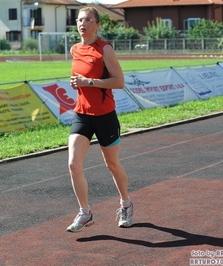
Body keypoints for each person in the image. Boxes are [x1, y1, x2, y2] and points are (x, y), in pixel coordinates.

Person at [66, 6, 133, 233]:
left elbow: (119, 82)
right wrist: (77, 83)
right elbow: (79, 77)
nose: (82, 24)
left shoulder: (105, 49)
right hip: (82, 114)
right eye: (79, 20)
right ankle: (85, 213)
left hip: (105, 116)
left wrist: (90, 83)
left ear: (97, 24)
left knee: (112, 165)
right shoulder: (75, 48)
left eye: (87, 20)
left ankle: (125, 204)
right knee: (73, 164)